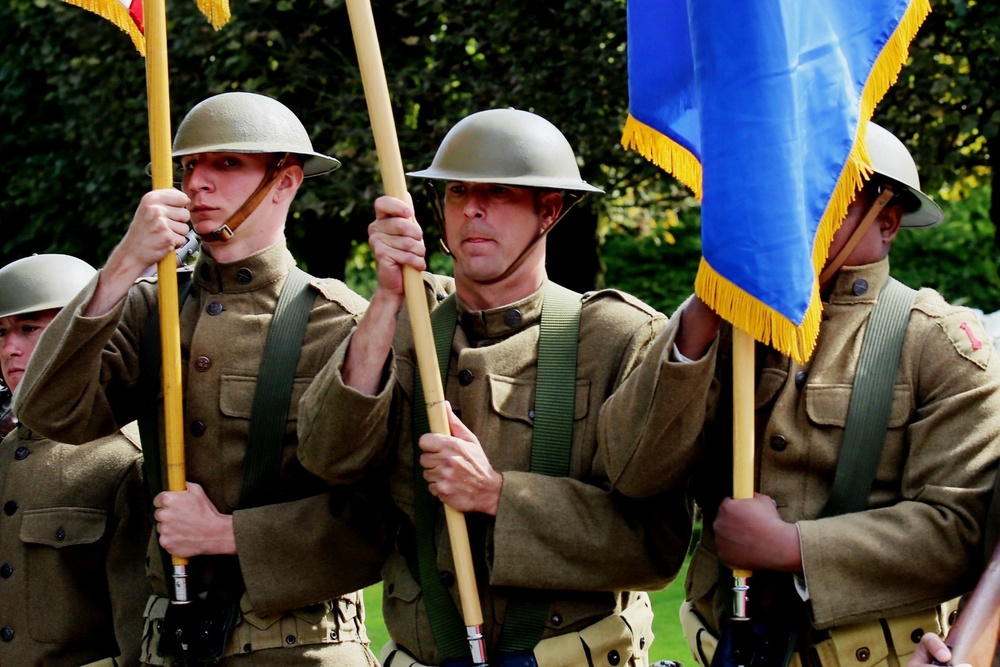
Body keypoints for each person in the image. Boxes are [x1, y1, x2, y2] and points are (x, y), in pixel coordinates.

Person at [296, 108, 694, 666]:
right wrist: (385, 300)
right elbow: (326, 458)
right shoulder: (398, 330)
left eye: (500, 193)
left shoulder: (618, 338)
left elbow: (656, 546)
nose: (473, 209)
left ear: (549, 210)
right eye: (457, 191)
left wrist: (498, 495)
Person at [596, 120, 1000, 667]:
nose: (797, 216)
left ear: (886, 222)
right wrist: (700, 316)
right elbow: (631, 473)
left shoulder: (937, 344)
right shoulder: (729, 331)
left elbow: (960, 530)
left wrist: (793, 548)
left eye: (827, 199)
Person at [15, 92, 390, 665]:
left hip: (301, 649)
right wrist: (122, 266)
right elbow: (47, 411)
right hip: (171, 646)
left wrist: (228, 535)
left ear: (285, 181)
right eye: (190, 166)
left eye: (227, 163)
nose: (198, 183)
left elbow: (384, 514)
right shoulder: (152, 307)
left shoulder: (338, 324)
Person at [0, 253, 150, 665]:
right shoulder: (5, 452)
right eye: (1, 332)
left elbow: (139, 648)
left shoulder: (125, 461)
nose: (10, 349)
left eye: (29, 329)